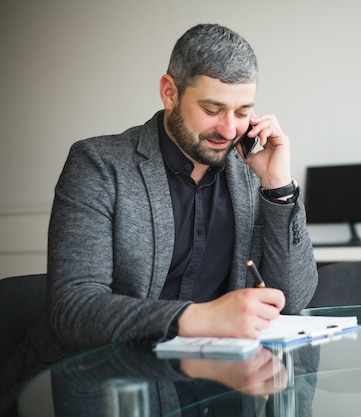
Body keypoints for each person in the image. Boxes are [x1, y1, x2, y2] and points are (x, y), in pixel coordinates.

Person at [0, 23, 318, 413]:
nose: (229, 129)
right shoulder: (98, 166)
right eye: (211, 109)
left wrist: (277, 185)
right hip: (103, 386)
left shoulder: (250, 171)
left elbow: (296, 297)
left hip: (218, 388)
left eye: (243, 112)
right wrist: (201, 317)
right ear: (170, 92)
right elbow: (74, 308)